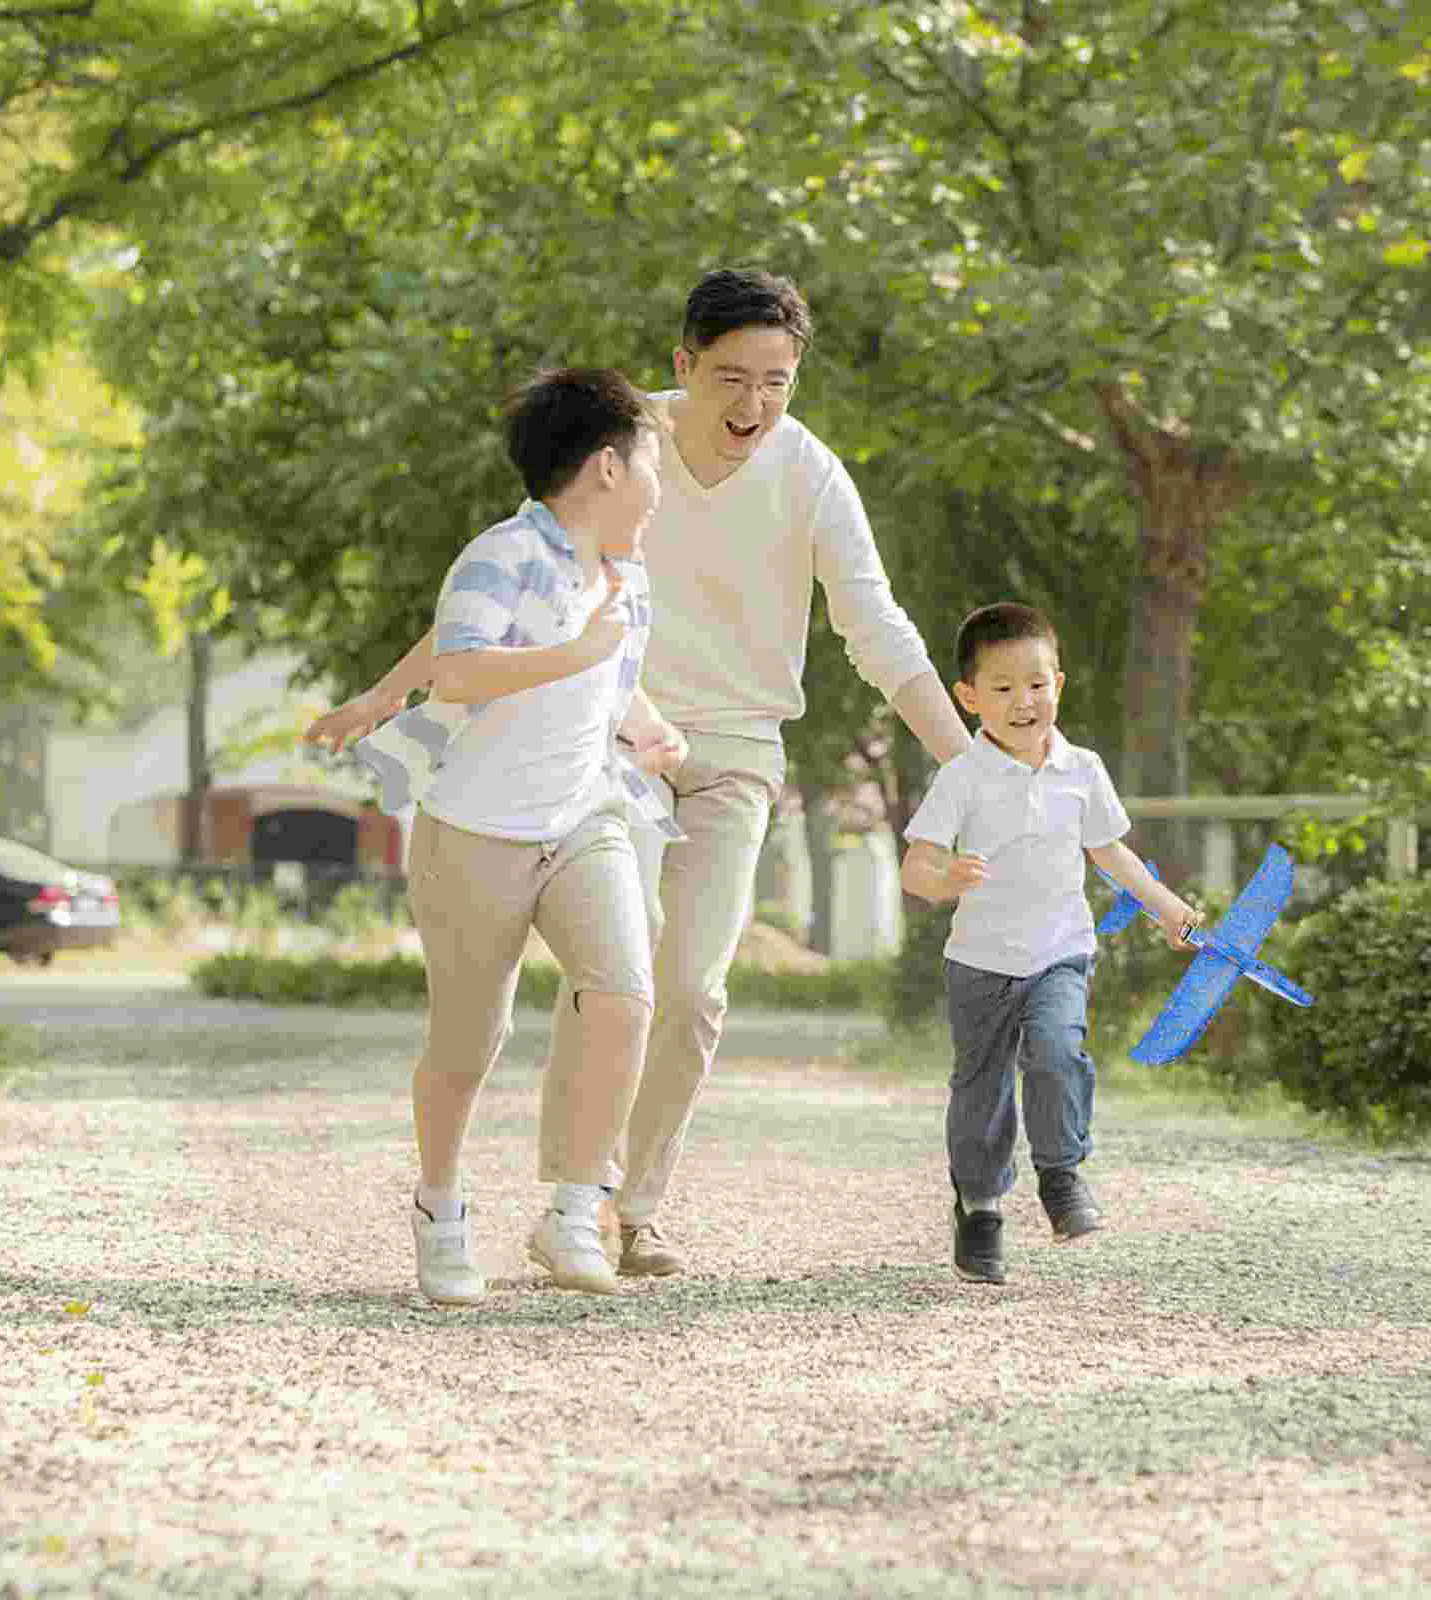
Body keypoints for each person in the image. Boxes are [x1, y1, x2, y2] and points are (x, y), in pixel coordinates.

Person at [309, 268, 971, 1276]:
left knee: (692, 987)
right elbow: (508, 593)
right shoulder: (620, 451)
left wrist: (971, 769)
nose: (753, 406)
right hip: (604, 739)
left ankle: (627, 1202)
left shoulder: (809, 475)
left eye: (778, 382)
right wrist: (386, 697)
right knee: (616, 966)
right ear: (683, 366)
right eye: (732, 378)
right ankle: (573, 1194)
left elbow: (876, 629)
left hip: (733, 748)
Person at [309, 367, 688, 1306]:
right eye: (652, 467)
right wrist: (400, 693)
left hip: (583, 817)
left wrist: (648, 723)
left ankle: (572, 1213)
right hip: (475, 834)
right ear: (606, 467)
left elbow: (610, 675)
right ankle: (440, 1207)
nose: (660, 491)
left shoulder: (626, 578)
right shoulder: (502, 553)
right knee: (467, 1043)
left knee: (626, 994)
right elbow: (464, 665)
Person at [899, 601, 1201, 1285]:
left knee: (1059, 1052)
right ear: (970, 698)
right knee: (981, 1089)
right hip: (978, 963)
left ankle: (1061, 1174)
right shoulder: (962, 779)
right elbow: (916, 863)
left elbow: (1111, 853)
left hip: (1061, 949)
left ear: (1057, 684)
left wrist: (1166, 907)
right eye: (1002, 689)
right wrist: (945, 876)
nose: (1023, 701)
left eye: (1036, 684)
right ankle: (979, 1206)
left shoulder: (1082, 769)